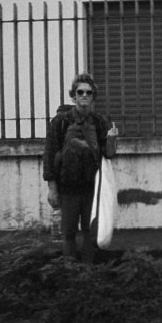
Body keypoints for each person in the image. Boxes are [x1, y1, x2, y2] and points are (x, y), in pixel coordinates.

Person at [43, 73, 118, 263]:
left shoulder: (100, 122)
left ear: (93, 97)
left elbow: (108, 155)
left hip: (91, 188)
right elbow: (50, 154)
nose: (84, 95)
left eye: (88, 92)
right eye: (80, 92)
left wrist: (111, 140)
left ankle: (87, 276)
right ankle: (70, 275)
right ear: (73, 96)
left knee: (89, 233)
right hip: (67, 187)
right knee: (68, 233)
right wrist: (52, 188)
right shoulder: (60, 122)